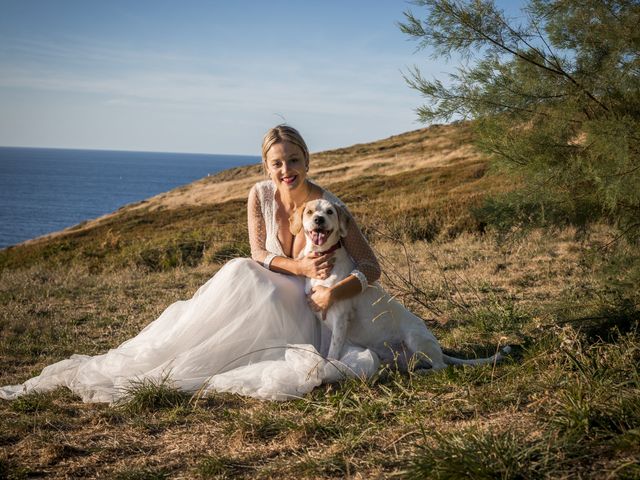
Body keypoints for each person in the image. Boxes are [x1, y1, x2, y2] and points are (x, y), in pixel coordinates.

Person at [0, 125, 382, 403]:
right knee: (240, 271)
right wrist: (298, 267)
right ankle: (180, 356)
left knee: (244, 277)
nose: (286, 170)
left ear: (307, 160)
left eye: (294, 160)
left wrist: (333, 292)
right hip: (273, 284)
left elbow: (370, 266)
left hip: (308, 303)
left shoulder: (328, 207)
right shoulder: (260, 194)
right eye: (277, 163)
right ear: (267, 167)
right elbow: (258, 253)